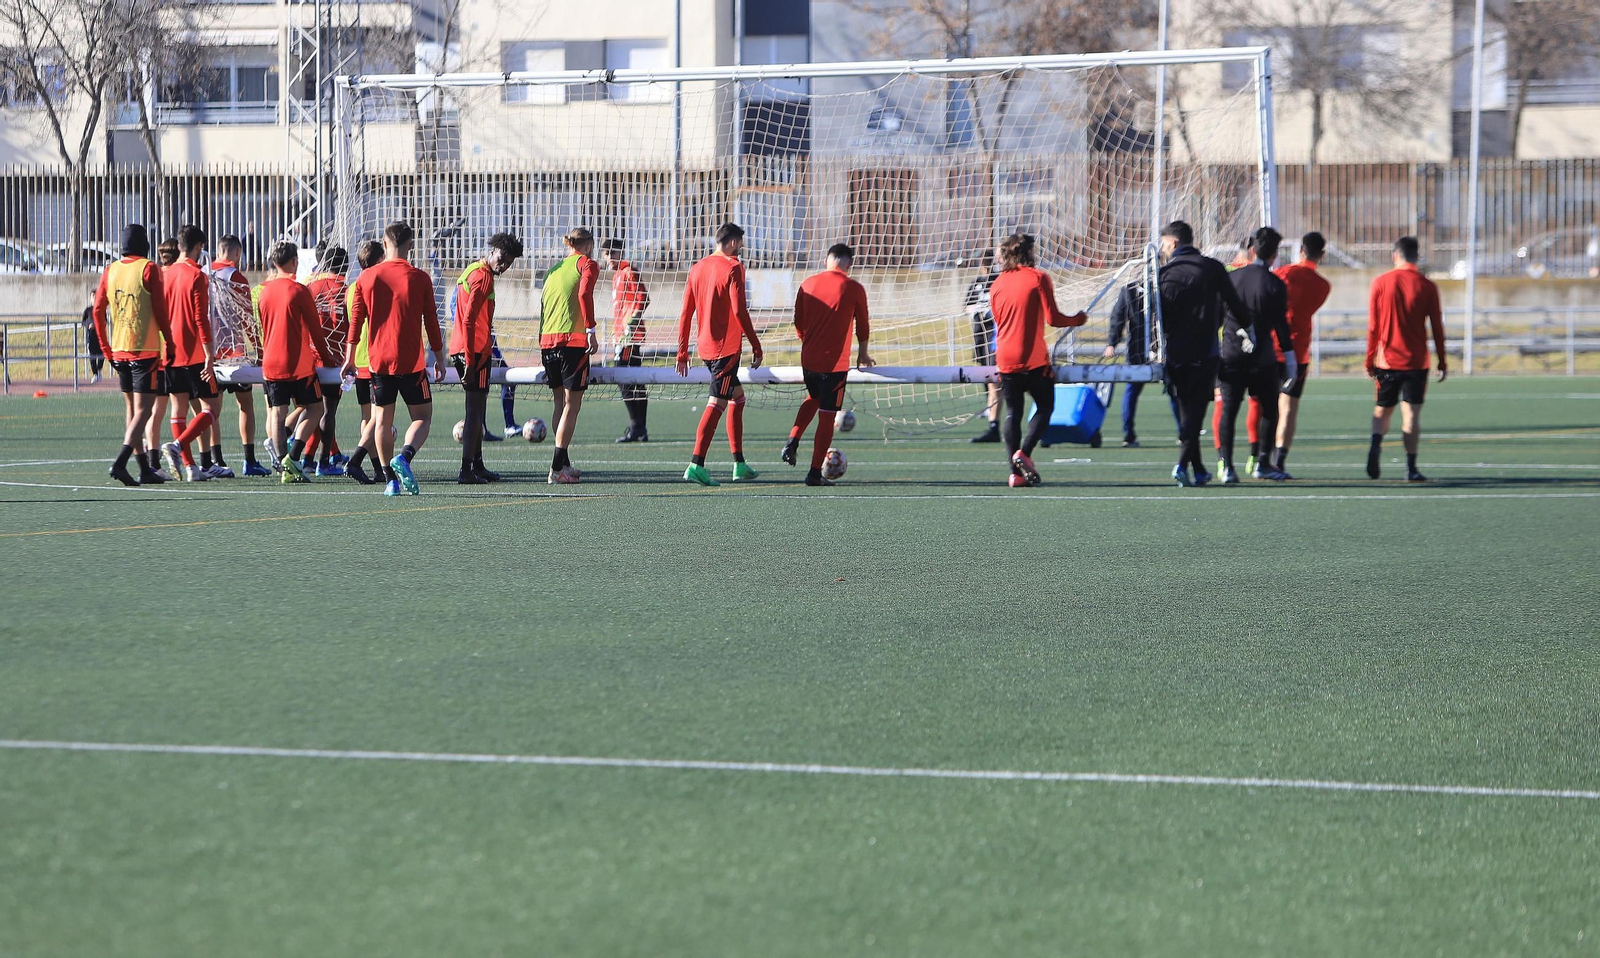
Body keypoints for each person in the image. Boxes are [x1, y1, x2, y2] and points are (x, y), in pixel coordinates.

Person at [342, 221, 444, 497]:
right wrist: (440, 357)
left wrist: (350, 358)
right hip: (411, 362)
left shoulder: (366, 278)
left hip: (378, 363)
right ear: (411, 246)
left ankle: (390, 481)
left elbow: (355, 322)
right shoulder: (420, 278)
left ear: (384, 244)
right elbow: (432, 322)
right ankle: (405, 457)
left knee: (382, 420)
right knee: (422, 417)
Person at [1157, 220, 1253, 488]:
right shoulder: (1212, 267)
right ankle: (1182, 464)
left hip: (1174, 352)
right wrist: (1249, 329)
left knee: (1188, 411)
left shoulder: (1165, 272)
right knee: (1196, 411)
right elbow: (1235, 303)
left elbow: (1156, 315)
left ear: (1174, 242)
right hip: (1206, 350)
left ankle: (1197, 469)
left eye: (1164, 243)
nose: (1163, 248)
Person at [987, 233, 1087, 487]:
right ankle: (1025, 452)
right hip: (1031, 357)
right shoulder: (1038, 278)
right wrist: (1077, 319)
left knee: (1013, 412)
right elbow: (1053, 319)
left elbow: (999, 321)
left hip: (1005, 355)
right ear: (1028, 253)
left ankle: (1015, 474)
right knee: (1045, 405)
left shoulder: (997, 284)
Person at [676, 222, 764, 487]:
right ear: (734, 242)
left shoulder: (697, 267)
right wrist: (756, 345)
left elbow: (685, 313)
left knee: (737, 398)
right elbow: (739, 312)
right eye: (740, 244)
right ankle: (696, 464)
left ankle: (739, 463)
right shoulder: (734, 268)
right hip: (725, 349)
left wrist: (682, 350)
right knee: (717, 403)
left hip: (705, 347)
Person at [782, 243, 873, 486]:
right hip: (834, 364)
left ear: (827, 261)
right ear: (849, 264)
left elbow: (798, 321)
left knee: (813, 398)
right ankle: (814, 473)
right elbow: (862, 325)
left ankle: (792, 440)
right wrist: (863, 353)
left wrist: (807, 342)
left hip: (809, 359)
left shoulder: (807, 284)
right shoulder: (853, 288)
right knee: (827, 416)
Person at [92, 224, 172, 486]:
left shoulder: (111, 270)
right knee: (145, 410)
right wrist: (169, 341)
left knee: (132, 410)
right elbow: (160, 310)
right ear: (144, 244)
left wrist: (106, 349)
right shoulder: (149, 269)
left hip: (119, 349)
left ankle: (142, 468)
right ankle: (121, 461)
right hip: (144, 348)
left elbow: (97, 311)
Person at [1215, 227, 1297, 484]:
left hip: (1231, 355)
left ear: (1252, 250)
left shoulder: (1232, 278)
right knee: (1270, 409)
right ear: (1274, 255)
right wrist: (1291, 359)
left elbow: (1217, 318)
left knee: (1229, 410)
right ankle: (1263, 462)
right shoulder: (1275, 284)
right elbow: (1282, 326)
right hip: (1262, 358)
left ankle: (1227, 466)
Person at [1366, 236, 1447, 482]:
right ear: (1416, 257)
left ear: (1395, 255)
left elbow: (1373, 326)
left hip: (1386, 360)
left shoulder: (1380, 282)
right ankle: (1411, 468)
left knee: (1382, 410)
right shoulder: (1426, 285)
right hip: (1416, 362)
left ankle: (1375, 444)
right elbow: (1436, 327)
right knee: (1411, 415)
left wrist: (1369, 359)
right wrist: (1442, 361)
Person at [450, 231, 524, 484]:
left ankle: (477, 466)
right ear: (492, 251)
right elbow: (469, 320)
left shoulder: (473, 270)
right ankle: (466, 470)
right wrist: (471, 361)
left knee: (478, 411)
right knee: (474, 413)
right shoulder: (483, 278)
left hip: (466, 348)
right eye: (501, 259)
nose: (502, 266)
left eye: (508, 263)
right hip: (474, 352)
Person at [254, 241, 325, 484]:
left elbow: (264, 327)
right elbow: (316, 331)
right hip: (298, 363)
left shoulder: (264, 291)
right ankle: (293, 458)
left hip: (271, 362)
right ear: (295, 261)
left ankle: (283, 462)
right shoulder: (299, 290)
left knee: (277, 412)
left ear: (274, 263)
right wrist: (327, 358)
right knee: (316, 408)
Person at [157, 225, 220, 483]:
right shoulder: (197, 275)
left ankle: (191, 468)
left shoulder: (165, 274)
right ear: (198, 247)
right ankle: (179, 444)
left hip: (169, 350)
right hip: (192, 351)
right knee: (211, 409)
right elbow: (200, 318)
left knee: (178, 409)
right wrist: (209, 353)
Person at [538, 227, 600, 484]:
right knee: (572, 406)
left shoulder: (554, 269)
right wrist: (591, 330)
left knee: (559, 405)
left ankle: (564, 463)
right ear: (587, 246)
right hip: (571, 343)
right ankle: (556, 468)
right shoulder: (587, 264)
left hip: (547, 341)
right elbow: (584, 293)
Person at [1267, 231, 1332, 475]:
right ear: (1321, 254)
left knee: (1265, 406)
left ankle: (1260, 455)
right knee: (1289, 407)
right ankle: (1280, 459)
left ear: (1301, 250)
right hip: (1299, 351)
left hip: (1273, 346)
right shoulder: (1323, 285)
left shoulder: (1284, 274)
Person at [208, 234, 267, 476]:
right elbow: (247, 320)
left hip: (209, 352)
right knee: (246, 404)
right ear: (237, 254)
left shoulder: (203, 273)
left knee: (212, 408)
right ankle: (249, 460)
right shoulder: (235, 277)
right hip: (234, 352)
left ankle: (215, 460)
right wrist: (257, 350)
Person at [1103, 279, 1181, 447]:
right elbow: (1119, 315)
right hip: (1144, 348)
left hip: (1161, 347)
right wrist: (1112, 342)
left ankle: (1183, 432)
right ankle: (1128, 434)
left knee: (1173, 389)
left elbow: (1118, 315)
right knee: (1135, 389)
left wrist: (1112, 342)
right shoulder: (1132, 288)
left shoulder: (1163, 283)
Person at [302, 246, 352, 477]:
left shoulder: (311, 287)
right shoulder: (347, 290)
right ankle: (323, 461)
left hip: (311, 359)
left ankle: (308, 458)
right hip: (335, 361)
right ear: (345, 265)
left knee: (313, 410)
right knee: (328, 412)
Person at [341, 239, 383, 485]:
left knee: (368, 417)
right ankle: (356, 461)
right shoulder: (376, 285)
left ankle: (378, 468)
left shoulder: (352, 287)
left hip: (358, 359)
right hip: (372, 358)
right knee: (378, 417)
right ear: (379, 261)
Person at [604, 236, 652, 443]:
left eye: (612, 253)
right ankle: (639, 428)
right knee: (633, 381)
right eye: (606, 254)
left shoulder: (629, 272)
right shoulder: (616, 276)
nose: (609, 258)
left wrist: (631, 321)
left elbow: (644, 298)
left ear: (620, 253)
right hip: (620, 336)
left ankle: (637, 427)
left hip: (628, 338)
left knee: (625, 380)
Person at [965, 251, 1003, 443]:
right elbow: (967, 305)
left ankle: (994, 414)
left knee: (996, 378)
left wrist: (989, 313)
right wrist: (974, 311)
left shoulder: (998, 280)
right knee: (986, 374)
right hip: (979, 334)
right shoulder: (976, 282)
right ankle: (991, 414)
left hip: (995, 336)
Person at [82, 305, 104, 383]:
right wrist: (89, 325)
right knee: (92, 356)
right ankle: (95, 374)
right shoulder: (87, 310)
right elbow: (83, 322)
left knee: (101, 355)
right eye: (93, 296)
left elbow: (105, 321)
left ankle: (99, 371)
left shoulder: (101, 309)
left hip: (100, 337)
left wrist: (97, 324)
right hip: (91, 337)